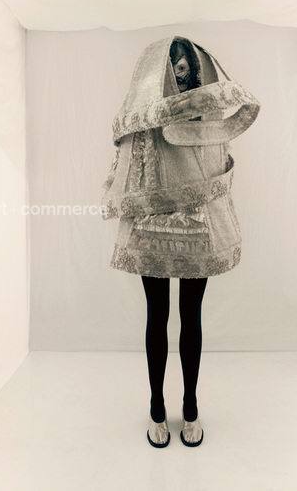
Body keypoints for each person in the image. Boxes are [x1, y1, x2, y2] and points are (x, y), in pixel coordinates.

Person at [101, 36, 261, 447]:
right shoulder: (144, 118)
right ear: (158, 71)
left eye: (184, 59)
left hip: (199, 227)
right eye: (172, 61)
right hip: (152, 227)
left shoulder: (209, 117)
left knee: (191, 316)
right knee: (158, 316)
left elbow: (218, 172)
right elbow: (128, 169)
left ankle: (190, 405)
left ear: (195, 66)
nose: (179, 66)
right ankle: (156, 406)